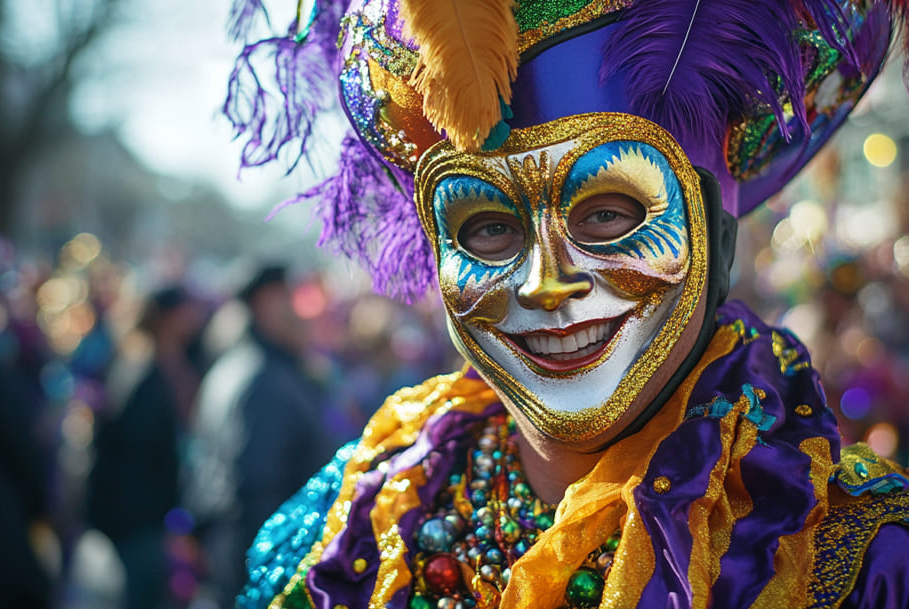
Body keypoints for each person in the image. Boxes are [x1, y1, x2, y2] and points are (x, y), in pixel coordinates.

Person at [224, 1, 909, 608]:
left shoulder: (866, 559)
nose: (543, 285)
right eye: (489, 227)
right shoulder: (354, 533)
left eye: (608, 214)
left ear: (715, 233)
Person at [186, 264, 336, 607]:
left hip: (238, 561)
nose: (306, 311)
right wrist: (271, 580)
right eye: (293, 297)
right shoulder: (263, 381)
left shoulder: (245, 368)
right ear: (268, 303)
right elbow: (255, 489)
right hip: (261, 571)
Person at [87, 284, 205, 609]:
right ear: (167, 317)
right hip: (140, 514)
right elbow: (139, 446)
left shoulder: (168, 361)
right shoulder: (140, 367)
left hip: (151, 511)